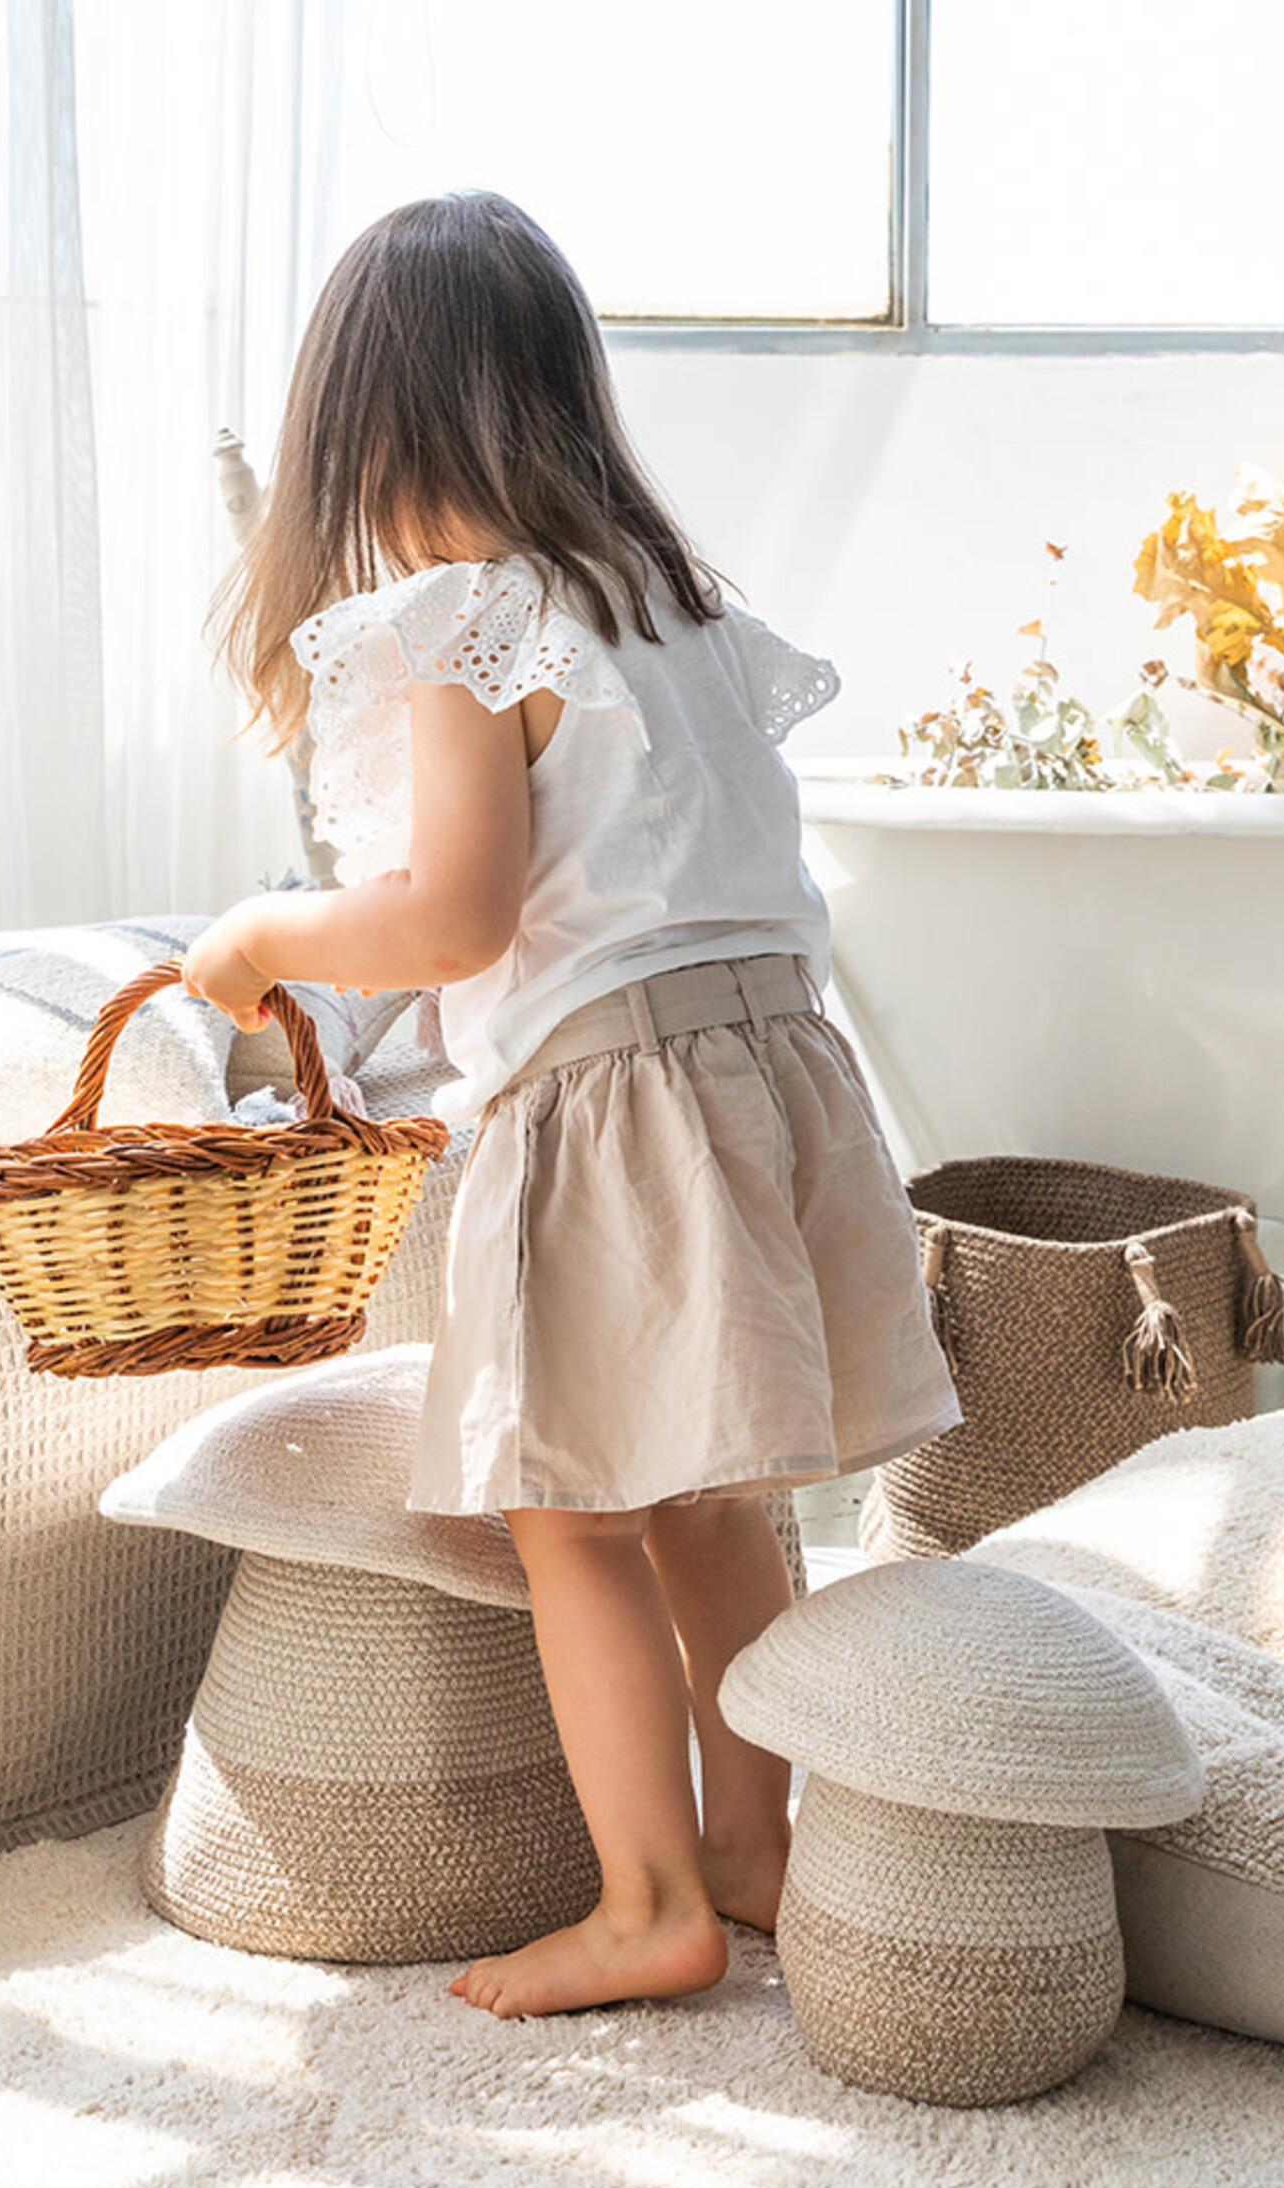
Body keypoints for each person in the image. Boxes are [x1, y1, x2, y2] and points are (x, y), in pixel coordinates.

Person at [182, 190, 960, 2020]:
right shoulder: (678, 607)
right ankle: (759, 1846)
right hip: (770, 1072)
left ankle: (645, 1895)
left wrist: (264, 934)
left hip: (613, 1095)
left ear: (362, 432)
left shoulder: (466, 626)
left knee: (573, 1513)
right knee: (708, 1492)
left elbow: (454, 911)